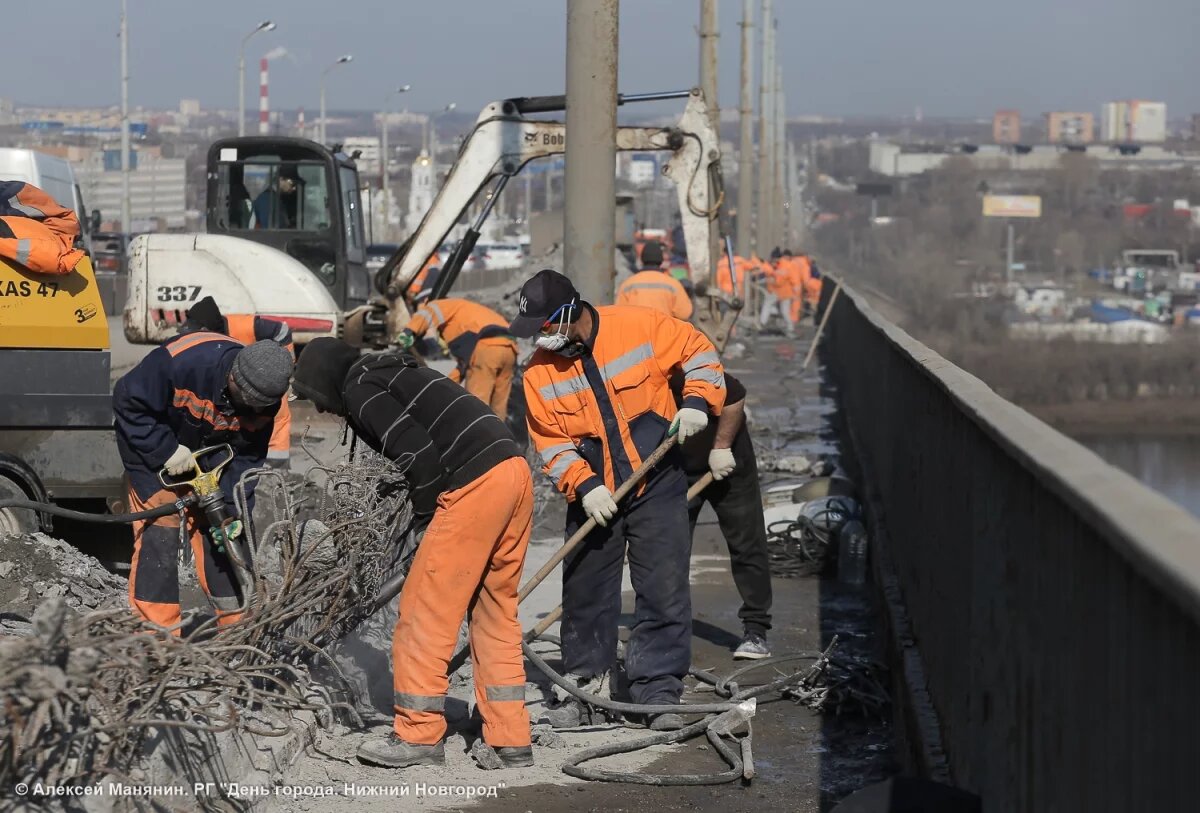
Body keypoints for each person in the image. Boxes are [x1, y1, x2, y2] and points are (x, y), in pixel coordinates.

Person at [291, 339, 534, 770]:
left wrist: (425, 523)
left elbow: (417, 455)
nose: (324, 410)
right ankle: (510, 737)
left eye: (316, 398)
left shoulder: (360, 386)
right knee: (494, 613)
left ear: (325, 381)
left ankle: (418, 733)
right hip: (511, 471)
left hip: (474, 483)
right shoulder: (394, 371)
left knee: (424, 612)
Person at [512, 269, 726, 731]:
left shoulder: (640, 327)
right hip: (596, 493)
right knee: (585, 590)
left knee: (664, 588)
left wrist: (696, 401)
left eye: (546, 327)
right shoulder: (537, 375)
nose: (541, 339)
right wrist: (584, 487)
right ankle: (584, 685)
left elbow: (700, 353)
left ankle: (658, 690)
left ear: (570, 314)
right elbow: (550, 442)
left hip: (658, 480)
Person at [114, 333, 294, 629]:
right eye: (252, 405)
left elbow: (247, 457)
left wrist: (232, 508)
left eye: (263, 407)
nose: (258, 413)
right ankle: (157, 637)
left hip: (209, 455)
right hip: (154, 449)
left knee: (222, 534)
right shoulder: (182, 363)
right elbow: (127, 401)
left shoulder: (265, 400)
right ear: (234, 381)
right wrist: (166, 450)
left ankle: (238, 629)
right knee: (161, 535)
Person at [673, 371, 773, 659]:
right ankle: (668, 633)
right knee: (670, 551)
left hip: (728, 461)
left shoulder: (678, 368)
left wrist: (721, 447)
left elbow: (735, 394)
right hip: (678, 471)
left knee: (746, 544)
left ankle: (756, 631)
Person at [181, 296, 294, 468]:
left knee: (275, 409)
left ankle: (276, 462)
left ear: (206, 329)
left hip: (265, 376)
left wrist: (279, 363)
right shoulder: (212, 347)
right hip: (244, 380)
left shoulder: (243, 325)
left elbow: (283, 331)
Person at [396, 298, 518, 421]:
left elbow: (427, 312)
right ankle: (500, 435)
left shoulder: (440, 305)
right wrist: (441, 387)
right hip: (510, 348)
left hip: (488, 347)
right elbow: (462, 368)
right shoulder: (468, 318)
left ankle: (477, 436)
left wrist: (409, 331)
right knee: (499, 402)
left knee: (477, 404)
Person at [616, 240, 693, 320]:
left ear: (642, 259)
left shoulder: (628, 284)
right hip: (663, 331)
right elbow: (684, 314)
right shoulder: (673, 284)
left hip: (636, 331)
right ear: (661, 260)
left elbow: (619, 314)